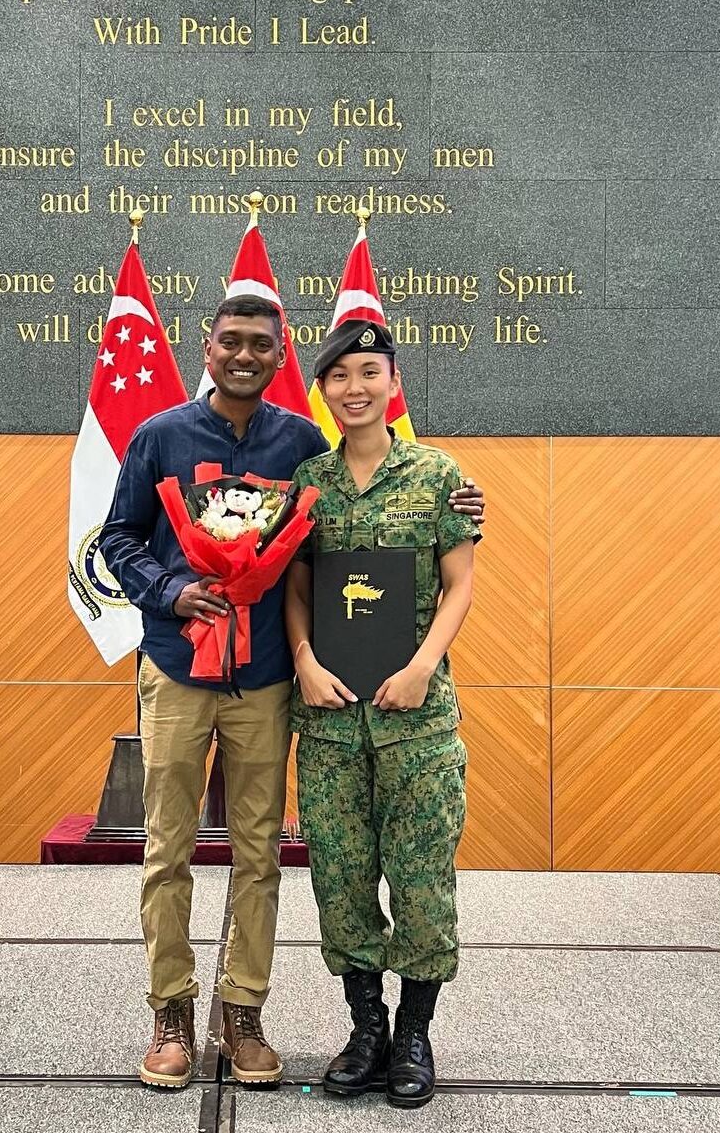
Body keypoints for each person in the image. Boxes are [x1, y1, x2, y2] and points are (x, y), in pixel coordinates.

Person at [99, 296, 484, 1089]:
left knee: (259, 852)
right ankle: (171, 1012)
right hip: (178, 665)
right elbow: (118, 537)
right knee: (167, 847)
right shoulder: (161, 436)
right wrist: (170, 590)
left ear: (281, 357)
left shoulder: (302, 447)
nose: (244, 355)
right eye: (230, 342)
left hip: (268, 676)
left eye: (260, 345)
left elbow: (336, 561)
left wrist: (465, 503)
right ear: (207, 348)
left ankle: (244, 1013)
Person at [282, 319, 479, 1110]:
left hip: (417, 724)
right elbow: (296, 585)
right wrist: (303, 660)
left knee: (423, 882)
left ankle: (414, 1033)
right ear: (323, 390)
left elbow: (459, 583)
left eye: (370, 372)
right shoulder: (309, 480)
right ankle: (366, 1031)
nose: (355, 387)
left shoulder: (437, 475)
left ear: (393, 383)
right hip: (330, 724)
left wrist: (423, 666)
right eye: (340, 375)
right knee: (340, 880)